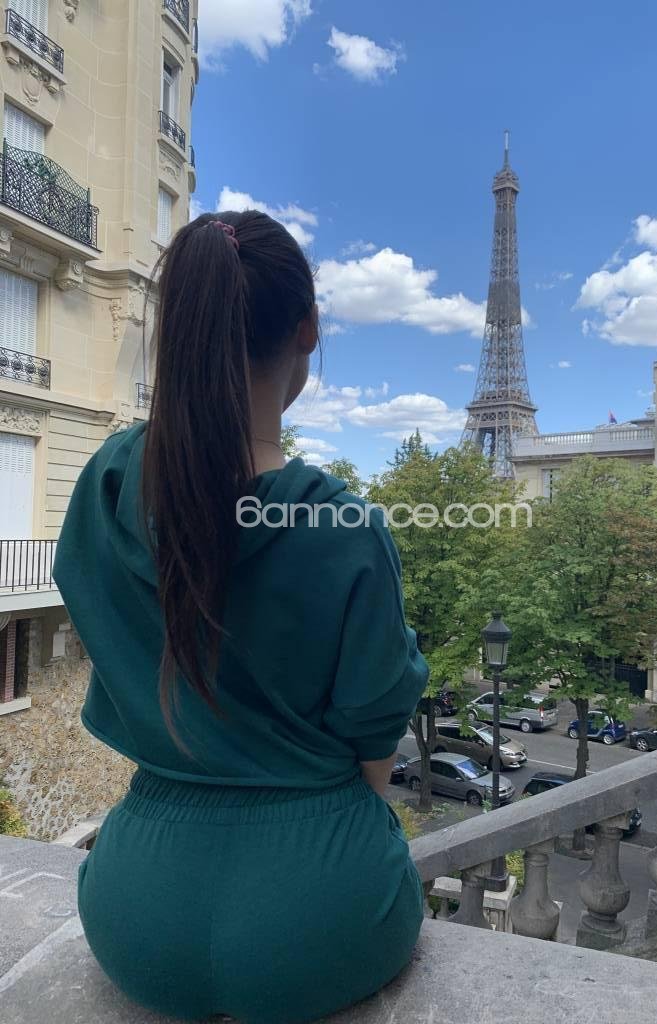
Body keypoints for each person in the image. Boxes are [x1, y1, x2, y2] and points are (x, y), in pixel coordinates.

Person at [52, 211, 429, 1024]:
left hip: (133, 914)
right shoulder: (343, 526)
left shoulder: (108, 483)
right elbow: (374, 750)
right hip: (322, 914)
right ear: (308, 329)